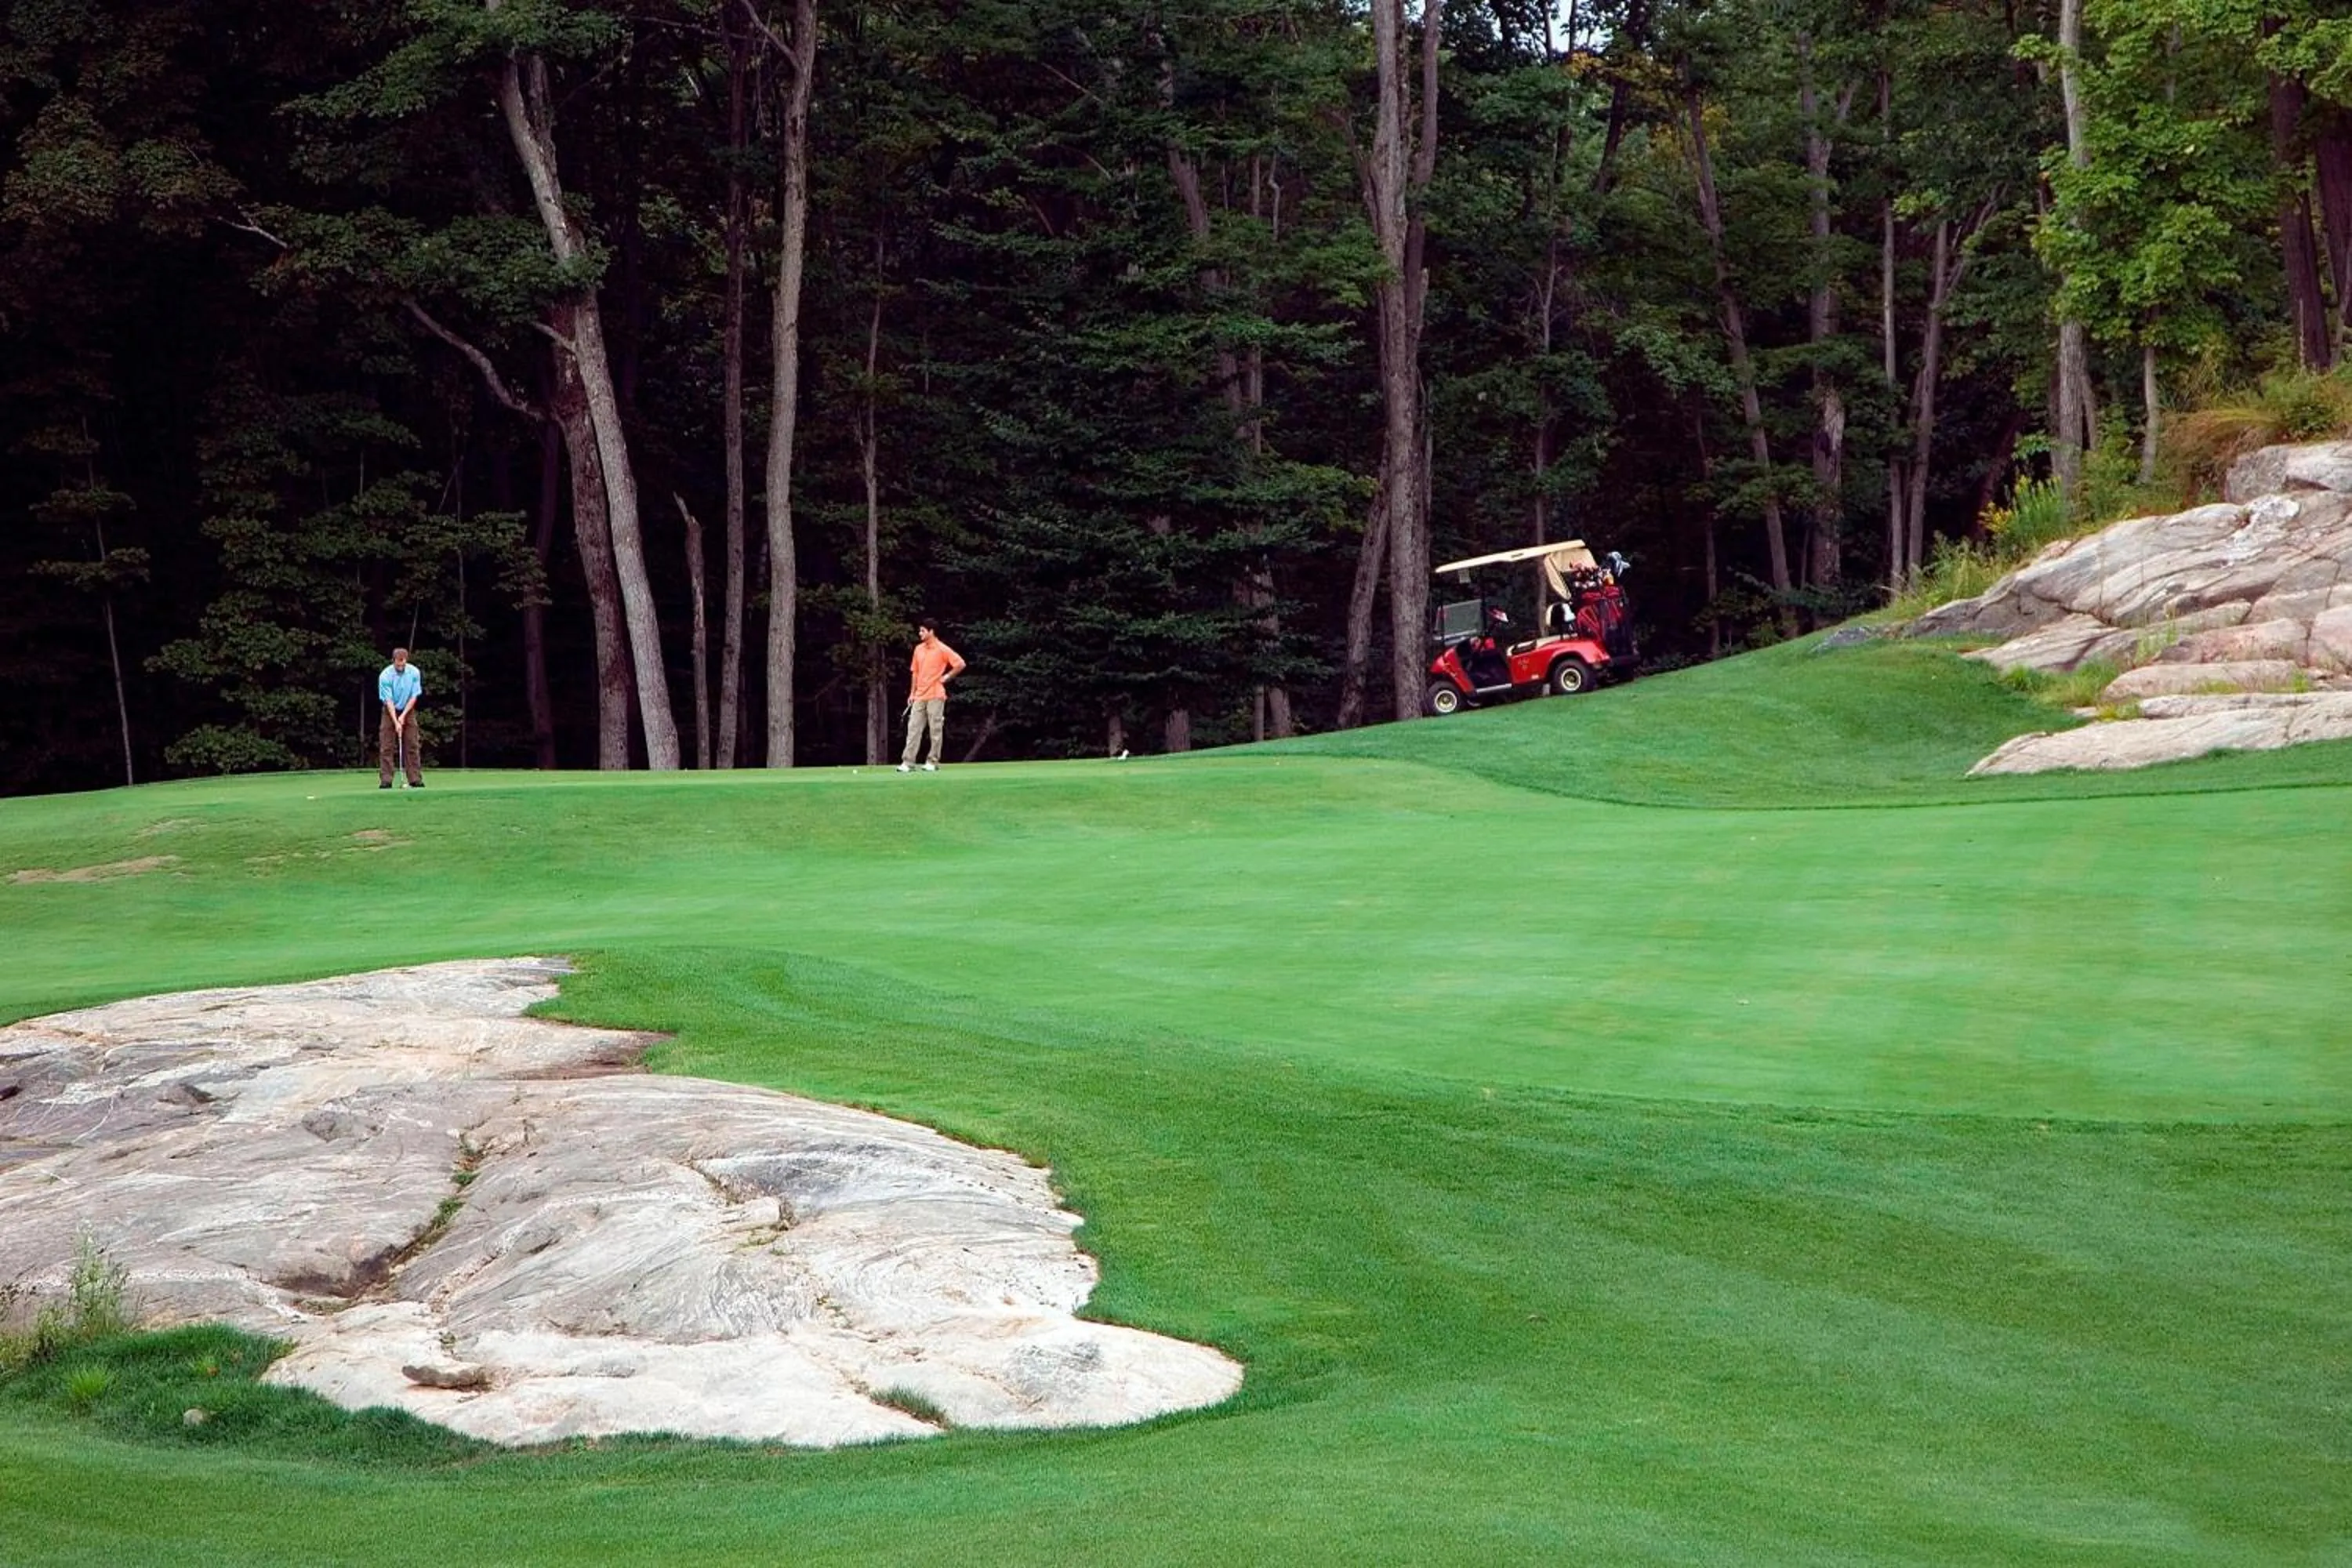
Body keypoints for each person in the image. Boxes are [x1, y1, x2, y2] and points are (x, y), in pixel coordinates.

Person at [896, 622, 966, 773]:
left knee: (935, 730)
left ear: (931, 632)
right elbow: (915, 672)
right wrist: (912, 693)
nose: (920, 634)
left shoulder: (942, 648)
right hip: (920, 695)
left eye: (923, 631)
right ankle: (908, 762)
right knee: (913, 729)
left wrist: (946, 677)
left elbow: (960, 664)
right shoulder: (918, 649)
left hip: (936, 694)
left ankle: (932, 762)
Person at [377, 648, 423, 789]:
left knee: (412, 743)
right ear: (393, 661)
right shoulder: (385, 676)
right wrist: (396, 720)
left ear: (406, 661)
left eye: (403, 665)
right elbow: (388, 701)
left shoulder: (414, 672)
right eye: (398, 665)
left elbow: (414, 696)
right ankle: (386, 779)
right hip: (389, 709)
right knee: (386, 745)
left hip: (408, 709)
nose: (401, 668)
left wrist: (402, 716)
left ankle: (415, 778)